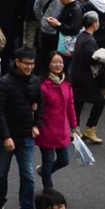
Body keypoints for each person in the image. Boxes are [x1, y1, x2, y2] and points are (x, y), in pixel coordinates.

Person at [0, 46, 44, 209]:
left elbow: (40, 103)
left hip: (26, 136)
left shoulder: (35, 82)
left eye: (32, 64)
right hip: (6, 137)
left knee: (28, 175)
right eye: (26, 64)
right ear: (17, 62)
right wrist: (6, 137)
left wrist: (36, 124)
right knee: (1, 172)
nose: (29, 67)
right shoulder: (4, 84)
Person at [35, 51, 77, 190]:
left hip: (62, 129)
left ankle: (44, 173)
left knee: (64, 159)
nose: (58, 65)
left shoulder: (66, 83)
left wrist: (74, 126)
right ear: (48, 64)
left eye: (60, 62)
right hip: (46, 129)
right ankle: (48, 190)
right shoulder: (42, 85)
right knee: (47, 161)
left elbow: (70, 105)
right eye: (54, 62)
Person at [71, 11, 105, 144]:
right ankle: (90, 129)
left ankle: (74, 129)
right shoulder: (90, 41)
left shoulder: (81, 37)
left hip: (76, 75)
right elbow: (91, 60)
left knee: (78, 103)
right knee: (100, 100)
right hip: (87, 78)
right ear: (94, 24)